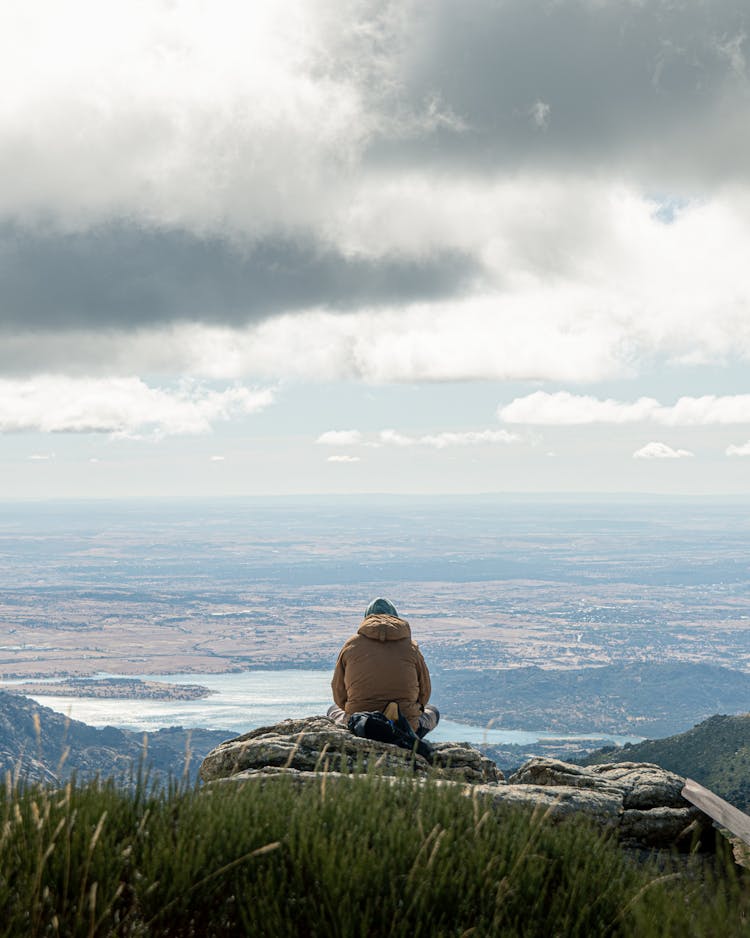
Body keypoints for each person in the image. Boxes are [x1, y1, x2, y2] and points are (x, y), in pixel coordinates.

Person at [327, 597, 440, 738]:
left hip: (362, 724)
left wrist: (360, 707)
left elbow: (339, 693)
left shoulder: (351, 645)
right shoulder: (411, 647)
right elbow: (424, 694)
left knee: (333, 710)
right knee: (432, 711)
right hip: (404, 725)